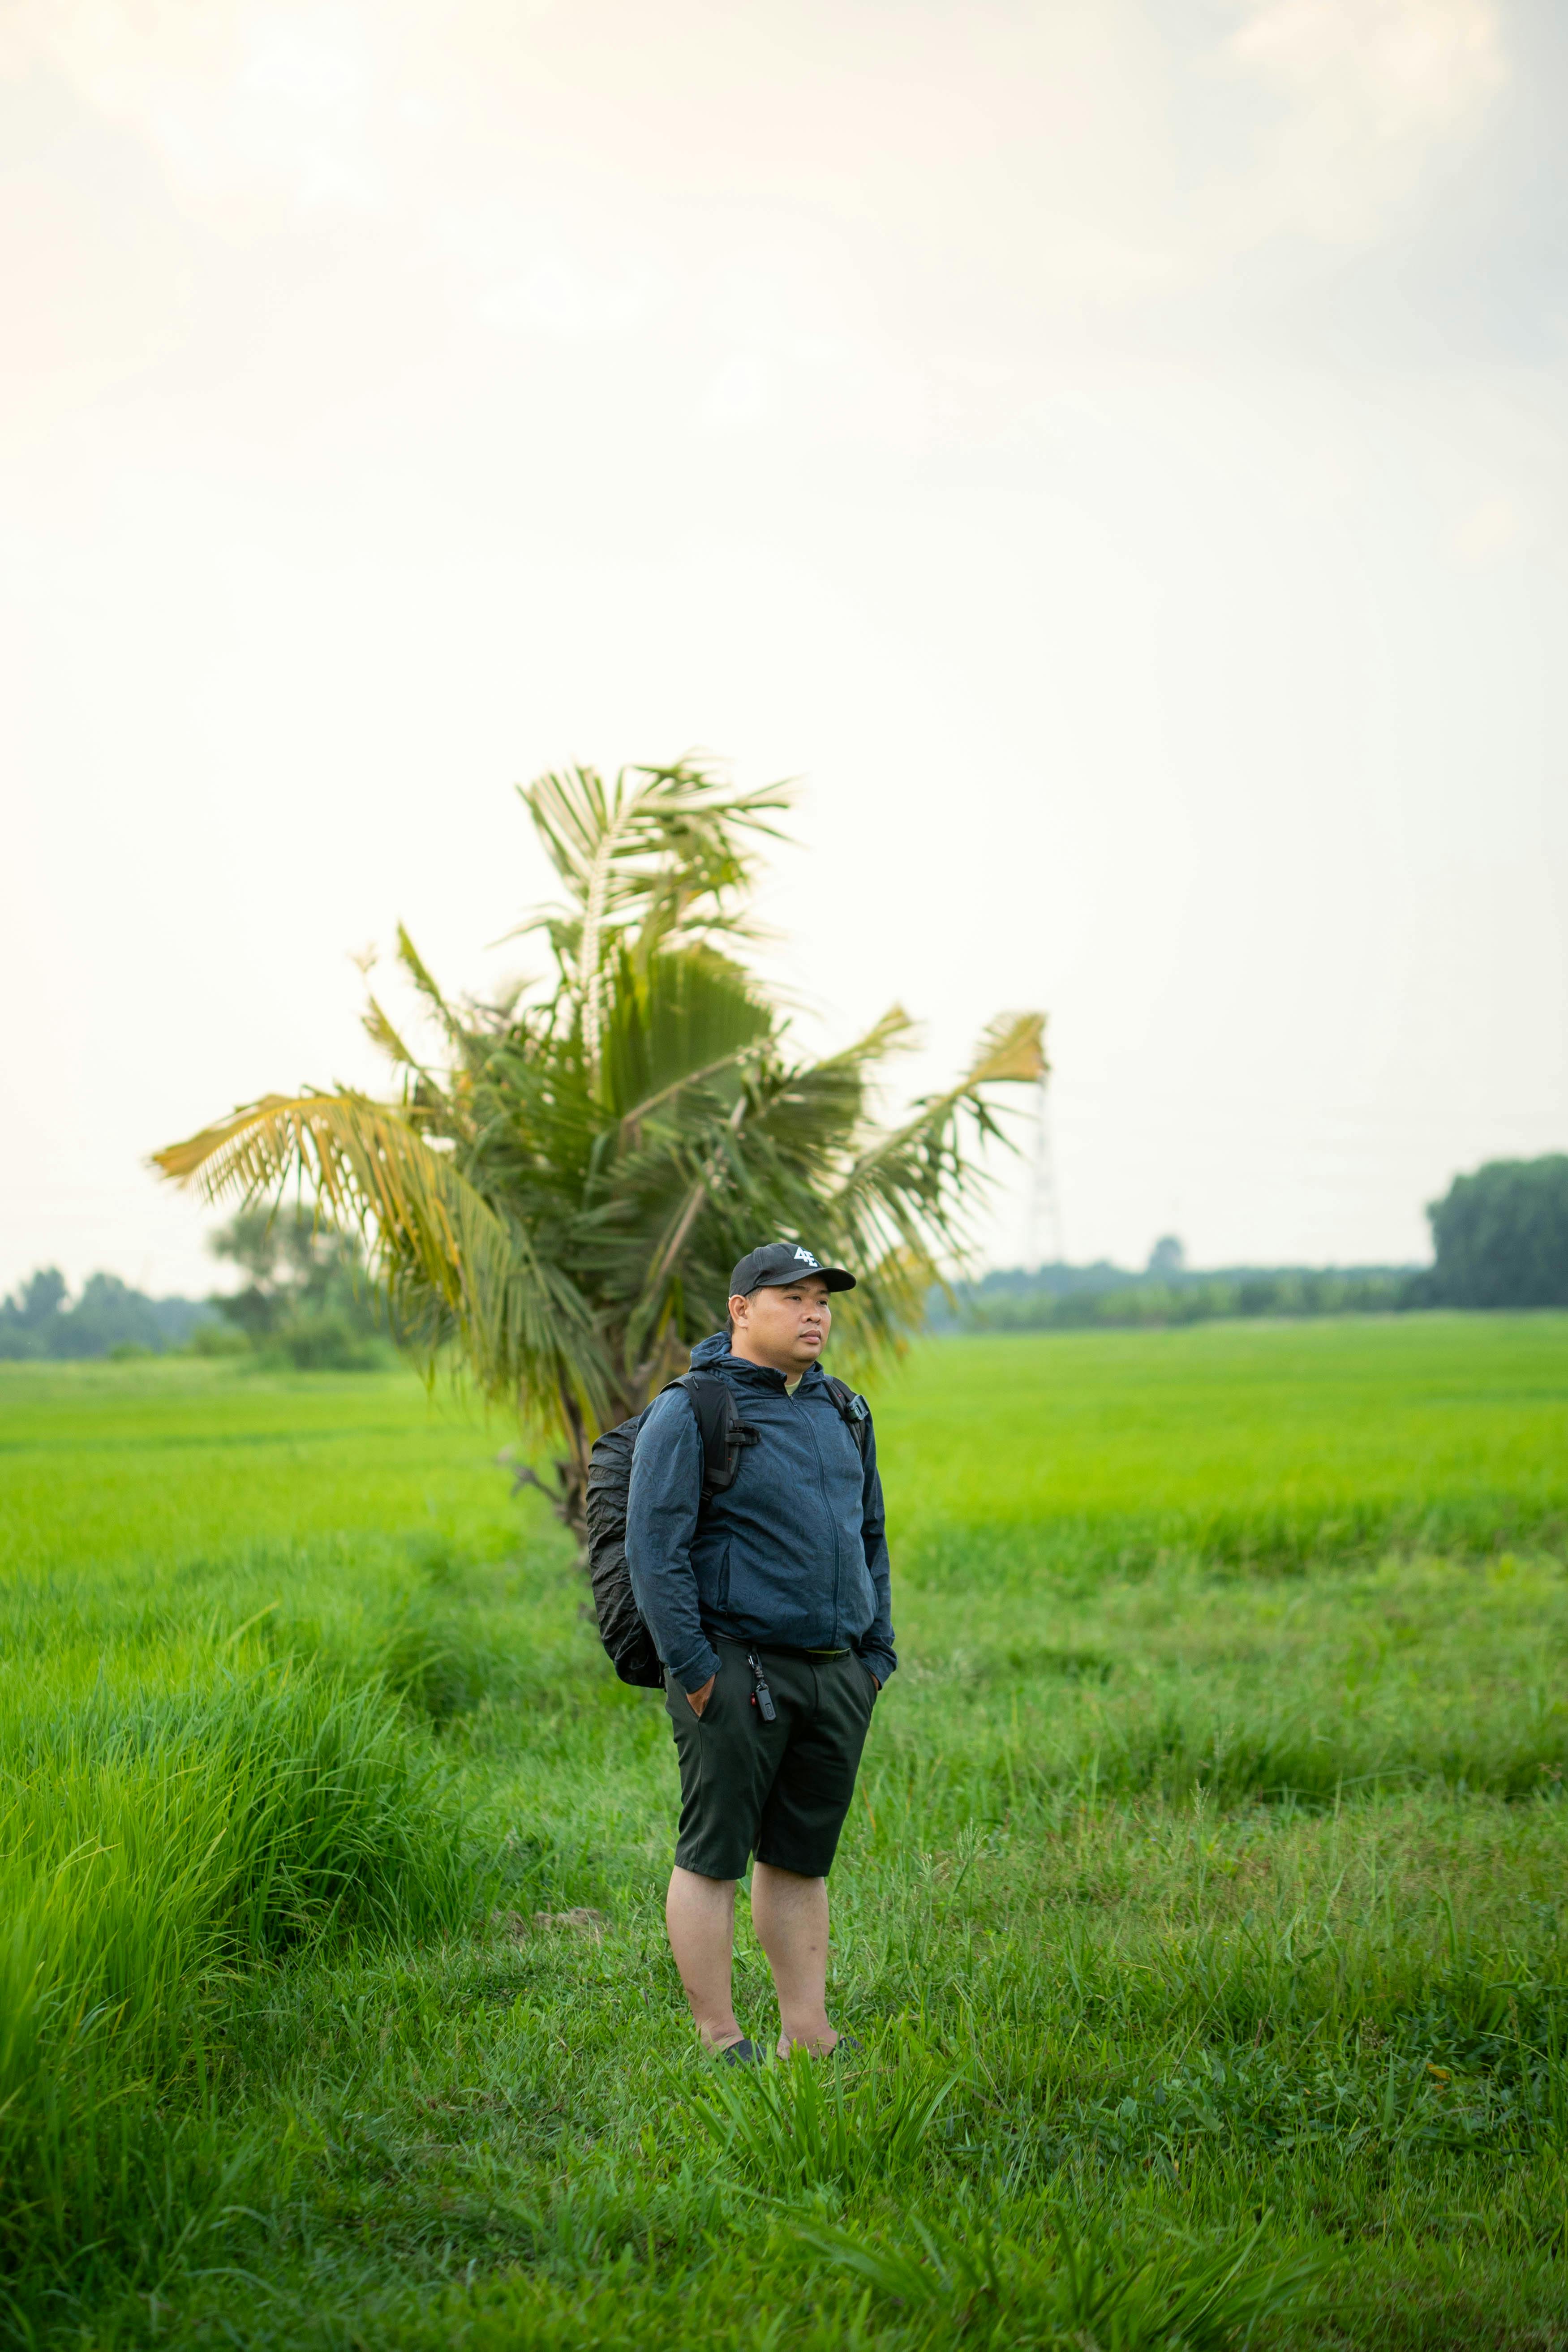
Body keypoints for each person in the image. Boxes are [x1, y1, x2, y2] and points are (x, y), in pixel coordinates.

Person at [626, 1242, 896, 2063]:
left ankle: (806, 2035)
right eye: (793, 1297)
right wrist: (696, 1670)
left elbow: (871, 1536)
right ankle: (719, 2037)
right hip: (735, 1671)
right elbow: (654, 1549)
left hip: (835, 1671)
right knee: (713, 1858)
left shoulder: (842, 1409)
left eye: (822, 1299)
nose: (814, 1312)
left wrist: (873, 1657)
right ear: (741, 1310)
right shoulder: (694, 1409)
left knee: (799, 1858)